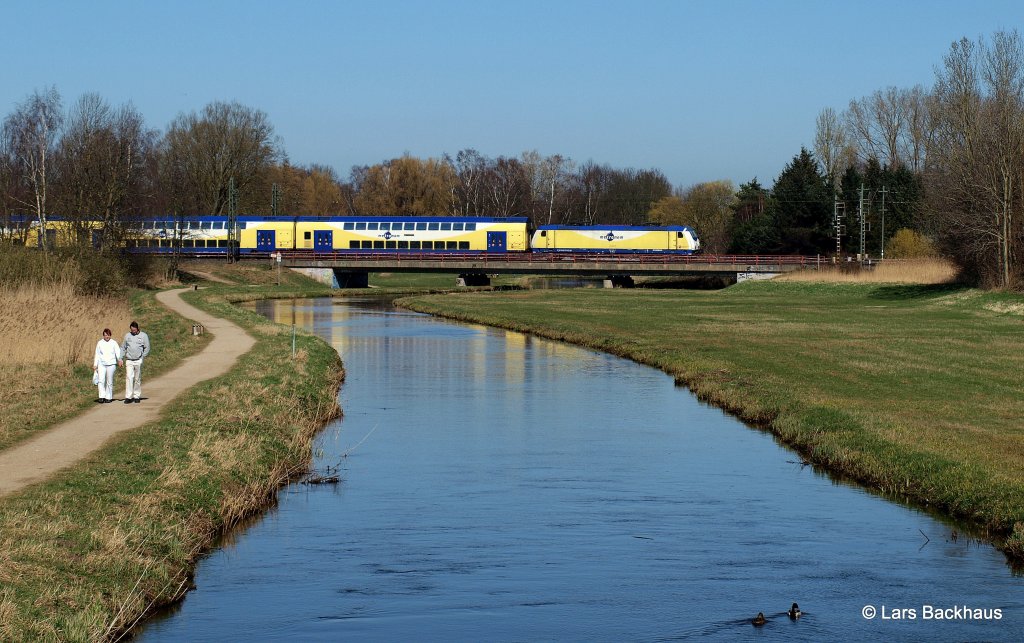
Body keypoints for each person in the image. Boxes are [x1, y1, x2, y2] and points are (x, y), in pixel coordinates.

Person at [122, 321, 151, 404]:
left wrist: (142, 357)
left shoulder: (143, 336)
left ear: (137, 329)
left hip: (138, 360)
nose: (133, 332)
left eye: (134, 330)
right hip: (129, 360)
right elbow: (123, 347)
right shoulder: (127, 336)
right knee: (129, 377)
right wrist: (120, 358)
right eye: (132, 330)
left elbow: (147, 347)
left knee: (137, 378)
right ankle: (128, 397)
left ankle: (136, 396)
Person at [93, 328, 123, 403]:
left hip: (111, 364)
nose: (107, 336)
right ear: (103, 335)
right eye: (105, 335)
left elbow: (118, 352)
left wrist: (120, 360)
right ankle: (101, 396)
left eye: (108, 335)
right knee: (101, 380)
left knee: (109, 381)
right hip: (101, 364)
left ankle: (108, 397)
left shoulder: (114, 343)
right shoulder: (100, 343)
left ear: (110, 335)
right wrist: (95, 364)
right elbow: (97, 354)